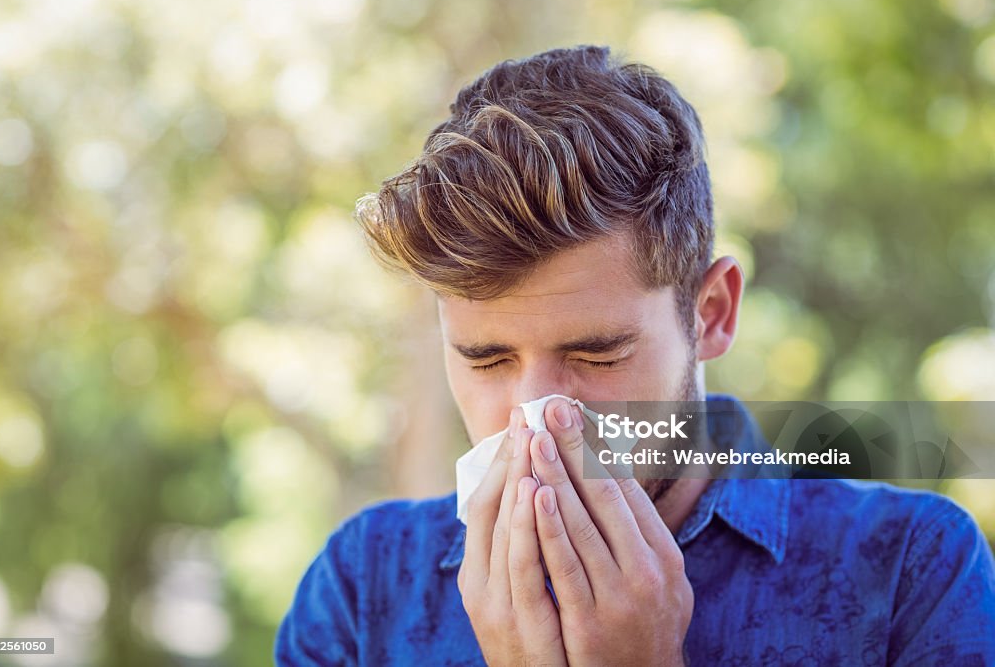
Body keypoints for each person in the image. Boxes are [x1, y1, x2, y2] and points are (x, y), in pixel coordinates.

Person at [275, 45, 995, 665]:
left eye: (596, 355)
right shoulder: (365, 589)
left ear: (711, 314)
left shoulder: (909, 572)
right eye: (487, 359)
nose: (538, 417)